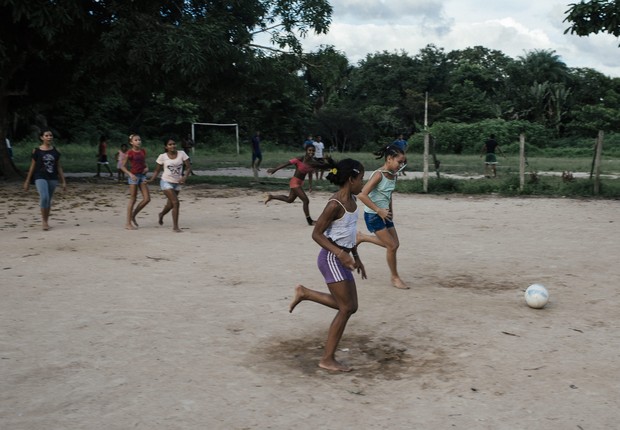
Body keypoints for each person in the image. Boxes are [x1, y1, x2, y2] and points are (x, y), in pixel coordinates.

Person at [289, 158, 367, 372]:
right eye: (361, 178)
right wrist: (341, 254)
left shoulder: (352, 200)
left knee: (351, 306)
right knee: (346, 308)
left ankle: (306, 293)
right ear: (351, 179)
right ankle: (327, 359)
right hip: (331, 259)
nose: (363, 182)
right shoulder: (335, 204)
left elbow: (348, 233)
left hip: (342, 257)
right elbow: (316, 234)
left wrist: (356, 255)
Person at [356, 144, 409, 290]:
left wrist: (390, 212)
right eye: (399, 162)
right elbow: (361, 194)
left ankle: (361, 237)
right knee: (391, 246)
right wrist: (379, 210)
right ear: (389, 159)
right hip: (373, 215)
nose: (401, 165)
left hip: (385, 215)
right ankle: (395, 277)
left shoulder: (393, 175)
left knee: (395, 244)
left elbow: (388, 195)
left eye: (403, 162)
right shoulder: (378, 175)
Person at [264, 144, 321, 226]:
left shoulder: (312, 163)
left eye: (313, 151)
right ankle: (310, 221)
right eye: (309, 150)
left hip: (299, 183)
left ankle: (271, 197)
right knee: (306, 200)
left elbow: (310, 175)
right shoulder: (299, 159)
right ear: (306, 151)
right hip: (294, 182)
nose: (311, 152)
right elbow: (286, 164)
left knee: (289, 200)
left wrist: (310, 185)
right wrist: (275, 169)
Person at [23, 128, 67, 231]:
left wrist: (63, 181)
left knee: (48, 200)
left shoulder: (56, 151)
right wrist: (27, 181)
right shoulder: (37, 151)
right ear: (42, 137)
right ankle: (44, 221)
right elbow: (32, 166)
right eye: (46, 135)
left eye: (50, 135)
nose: (49, 137)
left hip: (52, 177)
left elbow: (59, 166)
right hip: (39, 177)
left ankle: (46, 221)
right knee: (44, 197)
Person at [147, 137, 191, 232]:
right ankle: (175, 227)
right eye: (170, 144)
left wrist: (184, 177)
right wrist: (151, 180)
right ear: (166, 147)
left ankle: (161, 214)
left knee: (170, 204)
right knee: (176, 202)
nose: (173, 146)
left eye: (174, 144)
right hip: (166, 181)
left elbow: (188, 167)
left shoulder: (182, 154)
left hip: (177, 182)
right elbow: (157, 170)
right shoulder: (162, 156)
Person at [120, 134, 150, 230]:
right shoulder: (129, 153)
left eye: (139, 139)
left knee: (147, 199)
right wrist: (130, 174)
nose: (138, 141)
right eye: (136, 140)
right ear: (131, 142)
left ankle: (133, 215)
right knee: (133, 199)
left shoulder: (143, 151)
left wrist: (146, 168)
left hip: (142, 176)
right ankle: (128, 223)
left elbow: (144, 163)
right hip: (134, 177)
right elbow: (122, 166)